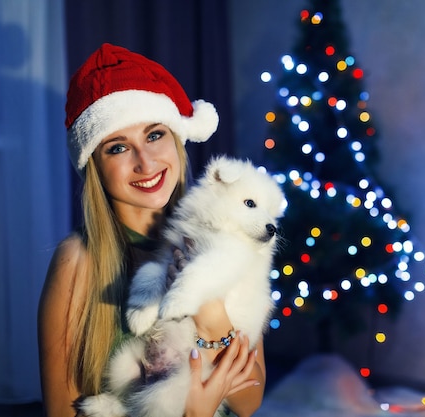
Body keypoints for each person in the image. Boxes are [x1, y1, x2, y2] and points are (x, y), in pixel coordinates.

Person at [38, 43, 266, 417]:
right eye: (117, 148)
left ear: (177, 139)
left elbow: (249, 401)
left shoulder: (230, 235)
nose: (145, 162)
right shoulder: (76, 261)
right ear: (94, 165)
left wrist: (212, 319)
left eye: (155, 135)